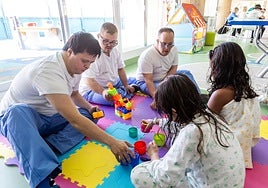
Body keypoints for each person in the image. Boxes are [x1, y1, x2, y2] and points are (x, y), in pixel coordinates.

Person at [0, 32, 134, 188]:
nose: (87, 67)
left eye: (90, 63)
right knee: (17, 111)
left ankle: (47, 146)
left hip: (48, 118)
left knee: (89, 116)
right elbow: (74, 120)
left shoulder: (75, 69)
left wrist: (90, 108)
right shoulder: (48, 71)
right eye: (84, 61)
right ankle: (43, 180)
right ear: (70, 51)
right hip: (21, 122)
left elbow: (74, 94)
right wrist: (113, 142)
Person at [130, 74, 245, 188]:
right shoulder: (210, 116)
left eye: (167, 113)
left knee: (138, 174)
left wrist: (154, 155)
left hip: (203, 184)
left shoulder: (192, 132)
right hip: (233, 183)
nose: (167, 116)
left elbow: (164, 178)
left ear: (173, 111)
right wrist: (155, 121)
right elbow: (177, 124)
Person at [207, 42, 261, 169]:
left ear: (220, 68)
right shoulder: (247, 90)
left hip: (230, 149)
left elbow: (204, 122)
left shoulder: (220, 94)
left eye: (213, 66)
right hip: (248, 142)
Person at [135, 27, 200, 109]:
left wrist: (167, 81)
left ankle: (199, 98)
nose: (167, 48)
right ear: (157, 41)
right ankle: (186, 106)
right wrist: (157, 98)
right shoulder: (147, 56)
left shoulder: (174, 49)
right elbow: (148, 80)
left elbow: (174, 67)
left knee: (186, 73)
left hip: (165, 76)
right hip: (147, 82)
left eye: (170, 44)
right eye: (163, 44)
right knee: (175, 89)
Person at [79, 22, 138, 106]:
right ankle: (124, 91)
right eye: (105, 41)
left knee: (138, 79)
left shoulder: (115, 51)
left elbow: (120, 69)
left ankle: (125, 90)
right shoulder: (93, 54)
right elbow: (89, 81)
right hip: (93, 90)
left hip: (113, 83)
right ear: (98, 36)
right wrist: (103, 92)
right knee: (114, 99)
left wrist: (126, 85)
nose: (109, 45)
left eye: (113, 42)